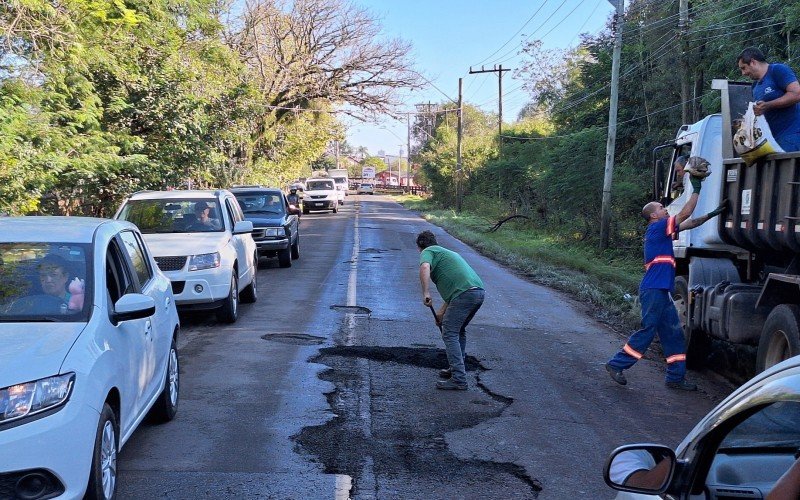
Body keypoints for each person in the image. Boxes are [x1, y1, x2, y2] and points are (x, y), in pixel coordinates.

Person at [605, 162, 727, 391]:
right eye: (661, 208)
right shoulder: (657, 228)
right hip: (653, 290)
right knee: (648, 330)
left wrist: (712, 215)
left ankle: (675, 378)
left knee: (674, 335)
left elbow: (690, 221)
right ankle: (616, 364)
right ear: (653, 215)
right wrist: (696, 186)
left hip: (662, 290)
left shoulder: (662, 232)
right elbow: (685, 213)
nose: (665, 209)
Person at [417, 230, 485, 391]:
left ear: (420, 246)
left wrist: (426, 292)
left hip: (465, 294)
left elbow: (425, 266)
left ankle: (459, 379)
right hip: (478, 292)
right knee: (458, 330)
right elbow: (456, 291)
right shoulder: (447, 253)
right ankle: (456, 368)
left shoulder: (428, 251)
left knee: (449, 332)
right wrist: (441, 313)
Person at [737, 47, 800, 152]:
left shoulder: (777, 70)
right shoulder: (755, 86)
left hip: (792, 136)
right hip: (771, 142)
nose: (743, 73)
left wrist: (768, 105)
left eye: (743, 68)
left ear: (752, 62)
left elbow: (796, 94)